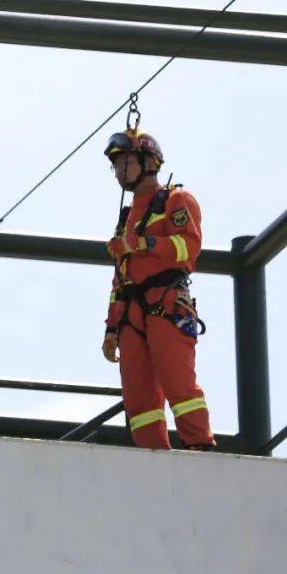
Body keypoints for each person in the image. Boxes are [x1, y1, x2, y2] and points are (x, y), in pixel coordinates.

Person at [101, 129, 215, 450]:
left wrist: (143, 243)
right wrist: (111, 328)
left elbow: (187, 248)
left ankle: (200, 448)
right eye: (117, 164)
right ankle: (153, 462)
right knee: (139, 401)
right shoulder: (126, 219)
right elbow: (119, 280)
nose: (120, 170)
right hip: (131, 315)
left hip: (165, 303)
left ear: (149, 162)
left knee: (179, 384)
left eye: (126, 161)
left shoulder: (176, 201)